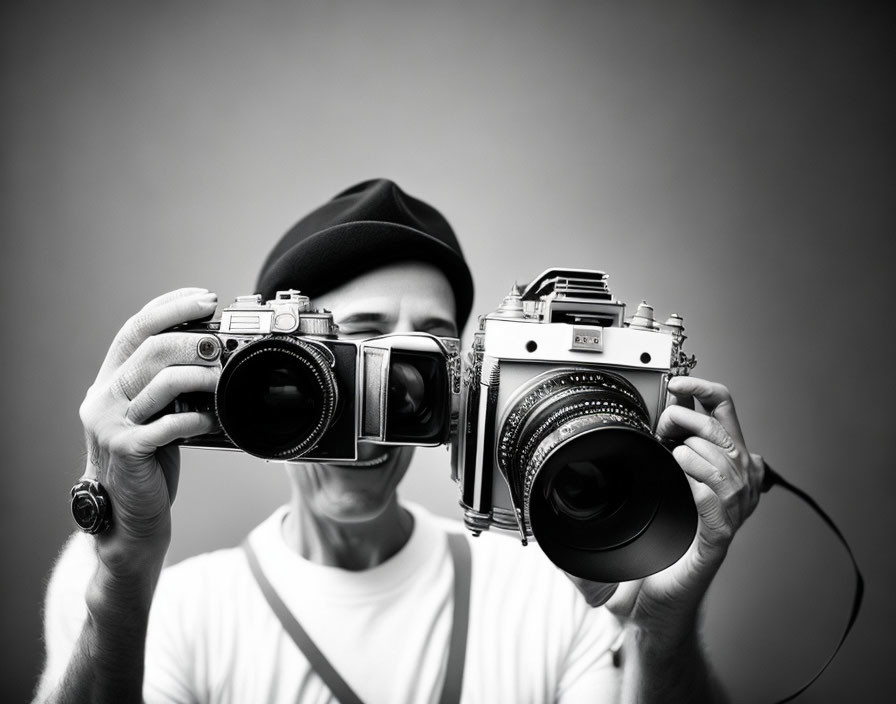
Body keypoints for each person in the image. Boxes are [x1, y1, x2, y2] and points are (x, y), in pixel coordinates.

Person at [35, 179, 766, 703]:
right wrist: (122, 566)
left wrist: (659, 628)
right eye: (357, 348)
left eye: (430, 359)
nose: (396, 392)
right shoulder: (178, 612)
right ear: (266, 378)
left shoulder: (557, 598)